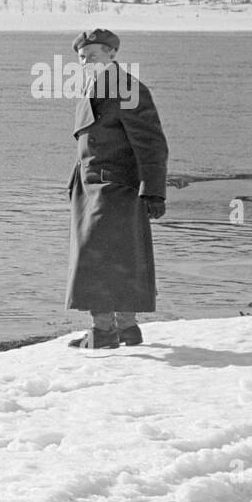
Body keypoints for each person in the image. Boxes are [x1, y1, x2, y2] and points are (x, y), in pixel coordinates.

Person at [65, 29, 169, 349]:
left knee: (103, 260)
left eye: (93, 56)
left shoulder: (127, 88)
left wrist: (153, 190)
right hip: (92, 186)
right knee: (110, 259)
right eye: (83, 58)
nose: (87, 62)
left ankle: (106, 331)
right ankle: (123, 329)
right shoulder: (97, 86)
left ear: (112, 54)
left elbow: (152, 144)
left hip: (117, 188)